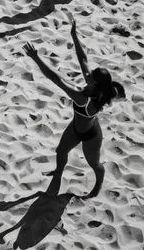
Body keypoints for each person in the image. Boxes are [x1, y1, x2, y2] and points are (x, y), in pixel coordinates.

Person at [23, 18, 125, 198]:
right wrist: (74, 35)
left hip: (91, 136)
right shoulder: (93, 85)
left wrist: (36, 58)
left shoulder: (83, 99)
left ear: (95, 83)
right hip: (77, 127)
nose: (89, 74)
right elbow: (83, 59)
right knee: (60, 151)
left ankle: (97, 185)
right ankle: (58, 172)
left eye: (92, 76)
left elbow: (56, 79)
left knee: (94, 164)